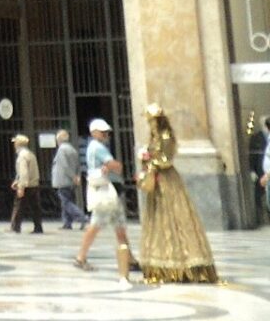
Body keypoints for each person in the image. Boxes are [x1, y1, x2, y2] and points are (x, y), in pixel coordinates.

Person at [136, 105, 218, 284]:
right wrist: (145, 159)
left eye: (151, 120)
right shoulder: (153, 138)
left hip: (167, 181)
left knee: (175, 217)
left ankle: (184, 265)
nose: (149, 124)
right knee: (158, 219)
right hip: (156, 181)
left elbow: (166, 160)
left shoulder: (166, 137)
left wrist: (152, 162)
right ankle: (161, 265)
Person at [73, 117, 134, 285]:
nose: (106, 134)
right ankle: (81, 257)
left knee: (119, 225)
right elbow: (115, 166)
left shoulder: (94, 147)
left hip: (107, 191)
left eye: (107, 131)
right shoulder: (98, 147)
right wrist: (117, 165)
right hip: (104, 192)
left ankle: (130, 258)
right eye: (103, 131)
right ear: (94, 133)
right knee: (96, 224)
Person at [51, 129, 86, 230]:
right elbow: (77, 165)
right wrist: (76, 176)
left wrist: (73, 176)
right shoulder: (72, 149)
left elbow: (64, 166)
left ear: (59, 140)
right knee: (66, 200)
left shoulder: (62, 150)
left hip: (63, 180)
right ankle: (67, 223)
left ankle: (81, 216)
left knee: (66, 202)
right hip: (71, 181)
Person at [8, 134, 43, 234]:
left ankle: (15, 227)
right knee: (35, 207)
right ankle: (38, 226)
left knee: (18, 206)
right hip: (34, 184)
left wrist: (21, 187)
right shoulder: (30, 154)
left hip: (26, 185)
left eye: (15, 143)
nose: (14, 145)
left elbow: (23, 172)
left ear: (18, 144)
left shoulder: (22, 156)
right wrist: (16, 180)